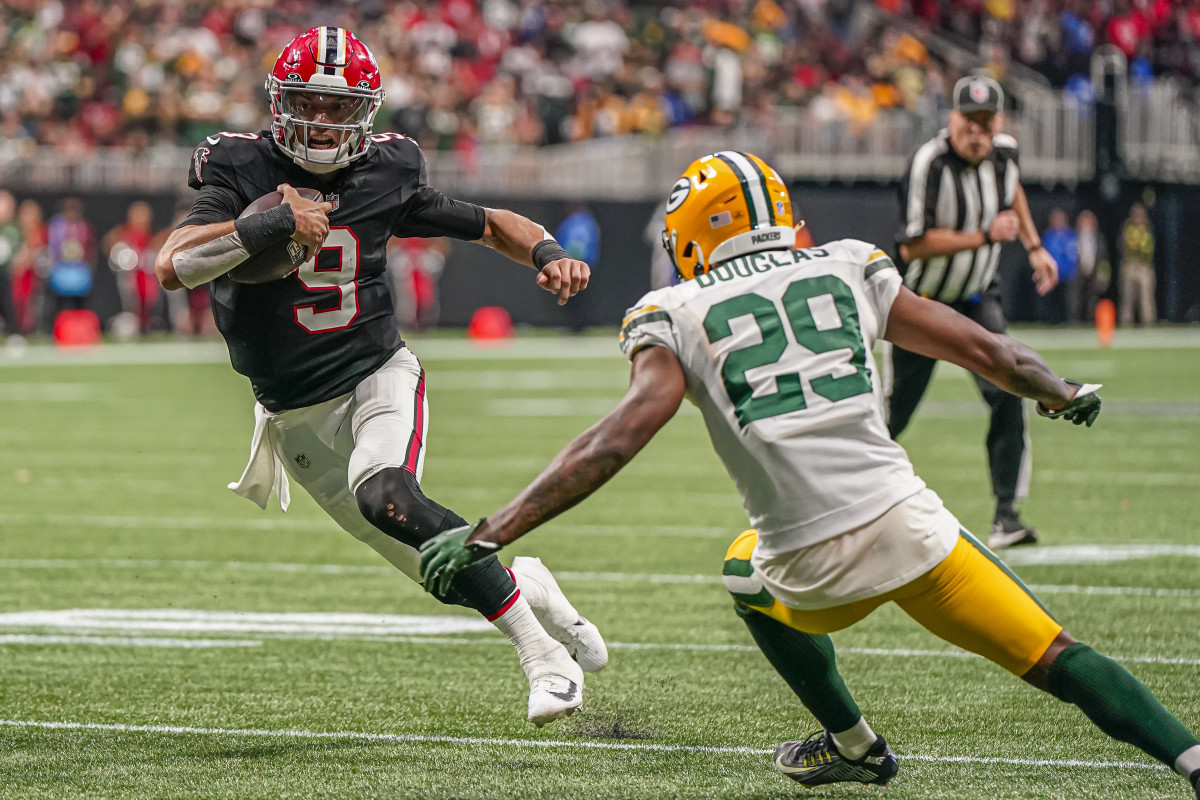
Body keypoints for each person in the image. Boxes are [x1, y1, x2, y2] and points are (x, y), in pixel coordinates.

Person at [419, 152, 1200, 799]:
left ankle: (855, 744)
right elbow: (988, 350)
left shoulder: (676, 308)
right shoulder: (850, 264)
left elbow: (613, 442)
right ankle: (1190, 759)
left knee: (740, 567)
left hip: (805, 564)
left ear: (691, 234)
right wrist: (1060, 392)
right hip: (912, 528)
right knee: (1060, 655)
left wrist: (492, 532)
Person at [154, 27, 605, 728]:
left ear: (367, 111)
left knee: (385, 492)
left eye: (340, 107)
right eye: (311, 102)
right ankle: (529, 585)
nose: (324, 121)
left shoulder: (386, 172)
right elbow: (172, 264)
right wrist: (271, 222)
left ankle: (545, 659)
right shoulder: (239, 165)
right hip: (290, 411)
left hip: (375, 377)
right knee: (429, 562)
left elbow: (488, 224)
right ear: (281, 102)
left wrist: (546, 250)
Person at [889, 75, 1059, 550]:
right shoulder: (929, 163)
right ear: (952, 119)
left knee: (1010, 390)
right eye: (969, 121)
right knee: (890, 415)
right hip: (919, 306)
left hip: (979, 297)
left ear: (998, 123)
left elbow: (1013, 190)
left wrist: (1034, 245)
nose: (977, 132)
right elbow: (912, 244)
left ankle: (1007, 516)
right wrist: (985, 236)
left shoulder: (1005, 154)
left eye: (986, 122)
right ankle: (840, 506)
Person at [1119, 203, 1156, 326]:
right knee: (1127, 298)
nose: (1138, 216)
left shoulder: (1148, 228)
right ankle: (1126, 323)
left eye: (1140, 214)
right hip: (1130, 264)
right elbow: (1123, 246)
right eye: (1135, 214)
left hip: (1144, 266)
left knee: (1146, 297)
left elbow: (1149, 248)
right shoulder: (1128, 228)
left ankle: (1148, 323)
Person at [1041, 208, 1078, 324]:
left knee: (1067, 299)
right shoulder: (1048, 235)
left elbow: (1072, 254)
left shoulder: (1070, 235)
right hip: (1051, 273)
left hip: (1066, 274)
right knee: (1051, 300)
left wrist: (1069, 270)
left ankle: (1068, 320)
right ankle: (1051, 320)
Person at [1073, 209, 1110, 321]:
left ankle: (1090, 321)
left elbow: (1104, 260)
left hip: (1094, 271)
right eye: (1085, 221)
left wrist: (1103, 277)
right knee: (1075, 298)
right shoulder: (1074, 237)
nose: (1087, 224)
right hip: (1077, 271)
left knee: (1092, 299)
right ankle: (1074, 321)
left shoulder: (1100, 239)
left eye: (1090, 221)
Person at [0, 190, 22, 337]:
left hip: (5, 273)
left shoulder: (13, 228)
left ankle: (13, 332)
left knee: (7, 302)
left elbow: (20, 249)